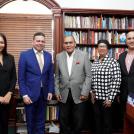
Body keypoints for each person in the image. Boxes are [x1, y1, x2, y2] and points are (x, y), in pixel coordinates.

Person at [55, 35, 92, 134]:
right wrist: (57, 91)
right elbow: (57, 76)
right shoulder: (59, 56)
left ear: (75, 44)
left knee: (78, 120)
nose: (68, 45)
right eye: (66, 43)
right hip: (63, 93)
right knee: (64, 120)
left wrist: (85, 92)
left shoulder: (83, 55)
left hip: (80, 94)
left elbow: (88, 75)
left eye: (70, 42)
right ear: (63, 45)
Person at [18, 32, 54, 134]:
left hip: (44, 94)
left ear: (45, 43)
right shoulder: (24, 55)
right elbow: (21, 77)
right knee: (30, 121)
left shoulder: (48, 55)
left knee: (41, 122)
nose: (40, 43)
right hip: (30, 94)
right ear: (32, 42)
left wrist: (50, 91)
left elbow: (50, 76)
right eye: (38, 41)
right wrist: (24, 95)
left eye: (42, 41)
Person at [90, 39, 121, 134]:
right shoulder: (95, 62)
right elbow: (91, 78)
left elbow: (117, 80)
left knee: (107, 123)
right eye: (99, 46)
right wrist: (91, 92)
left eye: (104, 46)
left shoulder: (113, 62)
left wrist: (110, 99)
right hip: (95, 99)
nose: (101, 48)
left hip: (106, 99)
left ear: (108, 49)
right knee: (97, 122)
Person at [0, 33, 17, 134]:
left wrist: (9, 93)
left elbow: (13, 77)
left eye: (2, 42)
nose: (0, 44)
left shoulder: (10, 57)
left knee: (4, 124)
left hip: (7, 98)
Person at [118, 31, 134, 120]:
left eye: (133, 38)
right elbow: (120, 75)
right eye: (129, 38)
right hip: (124, 94)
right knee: (125, 119)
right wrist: (118, 93)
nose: (132, 40)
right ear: (126, 41)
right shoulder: (121, 56)